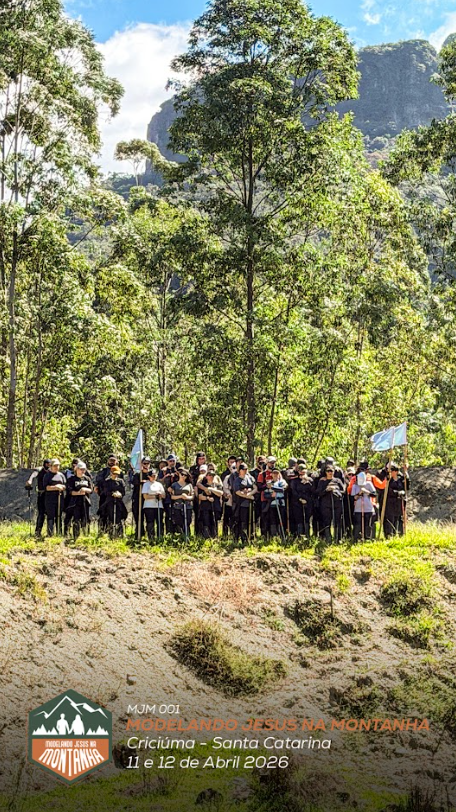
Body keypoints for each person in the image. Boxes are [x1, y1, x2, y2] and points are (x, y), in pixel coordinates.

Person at [378, 462, 409, 537]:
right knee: (390, 518)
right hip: (390, 503)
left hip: (399, 503)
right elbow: (387, 491)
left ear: (396, 471)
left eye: (392, 471)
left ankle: (400, 534)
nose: (391, 472)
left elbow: (407, 486)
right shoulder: (388, 480)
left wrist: (406, 472)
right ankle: (389, 535)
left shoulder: (401, 479)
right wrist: (397, 493)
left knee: (398, 518)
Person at [316, 466, 345, 543]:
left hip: (337, 504)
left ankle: (338, 539)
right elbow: (318, 493)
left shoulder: (338, 480)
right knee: (327, 522)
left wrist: (336, 490)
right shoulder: (322, 481)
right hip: (326, 505)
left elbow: (343, 491)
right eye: (328, 471)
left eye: (331, 471)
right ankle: (328, 538)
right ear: (325, 472)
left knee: (337, 521)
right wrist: (326, 490)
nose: (330, 473)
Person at [95, 455, 124, 531]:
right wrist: (97, 488)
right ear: (108, 461)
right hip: (104, 496)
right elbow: (98, 482)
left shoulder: (120, 472)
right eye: (111, 460)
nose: (112, 462)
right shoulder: (103, 471)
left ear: (116, 461)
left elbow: (122, 484)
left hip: (116, 497)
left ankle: (117, 531)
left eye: (113, 460)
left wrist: (119, 493)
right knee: (103, 514)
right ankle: (102, 530)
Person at [65, 462, 92, 539]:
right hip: (75, 502)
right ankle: (76, 536)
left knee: (85, 519)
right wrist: (79, 492)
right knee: (76, 519)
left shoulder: (87, 479)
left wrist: (85, 489)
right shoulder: (71, 479)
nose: (82, 471)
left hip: (85, 502)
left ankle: (86, 535)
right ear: (76, 469)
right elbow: (70, 492)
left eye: (84, 469)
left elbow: (91, 490)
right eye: (81, 469)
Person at [25, 459, 51, 538]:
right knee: (41, 514)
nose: (48, 466)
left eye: (49, 464)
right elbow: (34, 474)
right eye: (47, 464)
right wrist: (30, 480)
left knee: (50, 514)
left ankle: (50, 533)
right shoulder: (39, 470)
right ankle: (38, 532)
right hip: (41, 494)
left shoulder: (51, 472)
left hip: (50, 495)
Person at [100, 465, 127, 538]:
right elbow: (105, 492)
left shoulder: (121, 481)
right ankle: (110, 533)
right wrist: (112, 493)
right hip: (110, 502)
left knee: (120, 517)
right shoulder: (107, 482)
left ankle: (120, 533)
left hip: (119, 501)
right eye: (114, 473)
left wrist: (120, 494)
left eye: (117, 474)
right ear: (111, 473)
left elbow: (123, 491)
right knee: (110, 517)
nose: (115, 475)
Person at [233, 463, 257, 544]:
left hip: (250, 503)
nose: (245, 470)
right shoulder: (237, 480)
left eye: (246, 469)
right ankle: (243, 538)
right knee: (242, 521)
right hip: (241, 504)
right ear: (240, 470)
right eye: (244, 469)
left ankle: (251, 537)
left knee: (251, 520)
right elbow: (237, 492)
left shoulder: (250, 478)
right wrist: (247, 496)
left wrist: (250, 494)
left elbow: (255, 488)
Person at [43, 459, 66, 536]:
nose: (57, 467)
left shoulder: (61, 475)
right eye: (55, 466)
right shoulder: (47, 475)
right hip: (50, 499)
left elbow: (65, 485)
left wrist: (62, 487)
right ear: (51, 466)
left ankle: (59, 533)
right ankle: (50, 533)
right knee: (51, 516)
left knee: (59, 515)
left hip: (60, 498)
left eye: (58, 465)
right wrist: (56, 487)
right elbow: (46, 487)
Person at [290, 464, 313, 538]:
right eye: (301, 470)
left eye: (304, 470)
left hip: (308, 502)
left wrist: (307, 482)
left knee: (307, 519)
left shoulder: (310, 480)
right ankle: (300, 536)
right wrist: (300, 499)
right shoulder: (294, 481)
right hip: (297, 502)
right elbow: (294, 492)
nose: (302, 472)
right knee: (299, 519)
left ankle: (307, 535)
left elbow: (313, 491)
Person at [351, 473, 376, 541]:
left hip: (368, 508)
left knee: (368, 524)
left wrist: (367, 492)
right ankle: (357, 538)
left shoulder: (369, 484)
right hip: (358, 509)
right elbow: (353, 498)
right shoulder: (354, 486)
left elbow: (374, 494)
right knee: (358, 524)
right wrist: (359, 493)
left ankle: (368, 538)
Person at [159, 454, 180, 533]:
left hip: (177, 495)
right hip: (167, 496)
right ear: (167, 462)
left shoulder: (178, 471)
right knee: (168, 515)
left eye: (173, 461)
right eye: (170, 461)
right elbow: (159, 482)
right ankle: (168, 533)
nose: (172, 462)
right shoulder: (163, 471)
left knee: (177, 514)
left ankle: (177, 533)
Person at [198, 471, 224, 538]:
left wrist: (211, 489)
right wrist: (207, 498)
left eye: (212, 475)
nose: (211, 477)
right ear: (206, 476)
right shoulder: (203, 486)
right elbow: (199, 496)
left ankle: (215, 537)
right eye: (209, 475)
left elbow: (220, 493)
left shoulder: (218, 485)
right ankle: (206, 538)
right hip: (205, 507)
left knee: (214, 523)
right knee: (206, 523)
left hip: (215, 507)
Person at [142, 469, 165, 540]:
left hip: (159, 506)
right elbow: (145, 496)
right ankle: (151, 538)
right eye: (152, 476)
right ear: (149, 476)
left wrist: (160, 495)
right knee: (150, 522)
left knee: (160, 522)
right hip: (149, 506)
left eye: (155, 475)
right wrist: (155, 496)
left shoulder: (159, 484)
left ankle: (160, 537)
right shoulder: (146, 484)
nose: (154, 477)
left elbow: (164, 495)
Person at [256, 456, 277, 537]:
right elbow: (259, 487)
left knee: (274, 518)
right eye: (271, 463)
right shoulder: (262, 474)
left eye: (274, 463)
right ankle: (264, 535)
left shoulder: (277, 473)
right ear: (267, 463)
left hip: (275, 499)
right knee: (265, 517)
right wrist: (266, 486)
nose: (272, 464)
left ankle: (273, 536)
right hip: (265, 499)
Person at [170, 469, 194, 537]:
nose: (183, 476)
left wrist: (186, 497)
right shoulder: (174, 485)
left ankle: (187, 537)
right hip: (177, 506)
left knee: (187, 522)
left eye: (185, 475)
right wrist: (180, 496)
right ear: (179, 475)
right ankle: (180, 537)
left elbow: (192, 496)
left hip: (187, 506)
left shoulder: (189, 485)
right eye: (182, 474)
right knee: (178, 522)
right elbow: (172, 497)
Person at [132, 457, 152, 539]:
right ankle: (139, 534)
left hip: (148, 499)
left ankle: (150, 536)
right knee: (138, 518)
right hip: (138, 498)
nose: (146, 465)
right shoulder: (137, 475)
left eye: (148, 463)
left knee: (149, 519)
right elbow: (135, 482)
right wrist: (141, 482)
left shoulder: (151, 474)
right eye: (144, 463)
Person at [268, 469, 288, 539]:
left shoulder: (282, 482)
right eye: (274, 473)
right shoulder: (269, 482)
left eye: (277, 473)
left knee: (281, 520)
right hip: (272, 503)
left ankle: (282, 536)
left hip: (281, 503)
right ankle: (274, 536)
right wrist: (271, 495)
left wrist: (273, 488)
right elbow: (265, 493)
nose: (275, 475)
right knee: (273, 520)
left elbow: (282, 489)